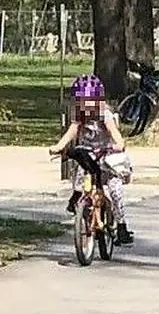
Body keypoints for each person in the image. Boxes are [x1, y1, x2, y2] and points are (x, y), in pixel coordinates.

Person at [49, 75, 134, 245]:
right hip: (89, 153)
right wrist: (59, 146)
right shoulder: (79, 115)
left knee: (115, 191)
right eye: (81, 101)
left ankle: (121, 225)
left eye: (89, 100)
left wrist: (118, 144)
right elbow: (72, 131)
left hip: (107, 155)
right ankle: (78, 200)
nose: (85, 105)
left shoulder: (105, 115)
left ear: (97, 100)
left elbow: (116, 136)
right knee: (80, 174)